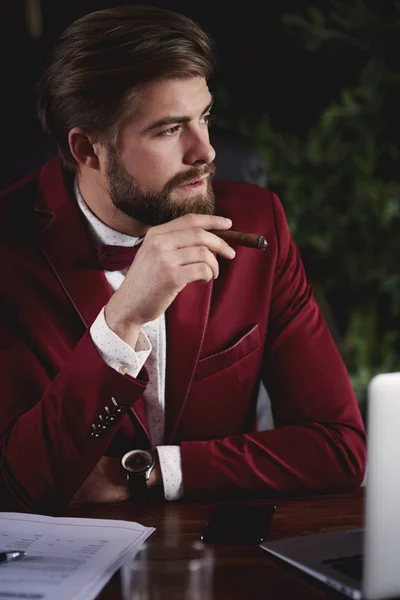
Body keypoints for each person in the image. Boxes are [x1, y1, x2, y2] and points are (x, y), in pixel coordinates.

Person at [0, 4, 366, 513]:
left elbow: (339, 449)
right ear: (87, 150)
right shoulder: (8, 252)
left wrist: (156, 472)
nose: (206, 151)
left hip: (222, 557)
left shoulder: (259, 225)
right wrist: (122, 318)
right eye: (170, 129)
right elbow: (19, 484)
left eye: (205, 117)